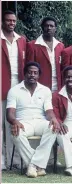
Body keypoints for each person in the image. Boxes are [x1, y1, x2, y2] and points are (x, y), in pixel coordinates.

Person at [6, 62, 72, 178]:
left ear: (39, 75)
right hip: (23, 122)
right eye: (30, 72)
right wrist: (15, 121)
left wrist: (54, 119)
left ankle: (34, 166)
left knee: (54, 127)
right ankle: (38, 165)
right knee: (16, 133)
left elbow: (49, 112)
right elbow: (10, 114)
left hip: (40, 121)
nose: (32, 75)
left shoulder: (45, 90)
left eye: (35, 73)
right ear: (25, 74)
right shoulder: (14, 90)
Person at [1, 10, 27, 170]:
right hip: (2, 85)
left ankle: (15, 160)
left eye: (13, 21)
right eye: (8, 20)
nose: (11, 23)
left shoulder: (22, 40)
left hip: (18, 87)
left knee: (15, 123)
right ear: (3, 22)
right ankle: (1, 161)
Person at [26, 16, 64, 91]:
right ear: (42, 27)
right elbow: (29, 69)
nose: (49, 28)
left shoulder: (60, 46)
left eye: (51, 26)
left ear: (55, 28)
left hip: (58, 87)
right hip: (39, 87)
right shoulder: (32, 45)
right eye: (46, 26)